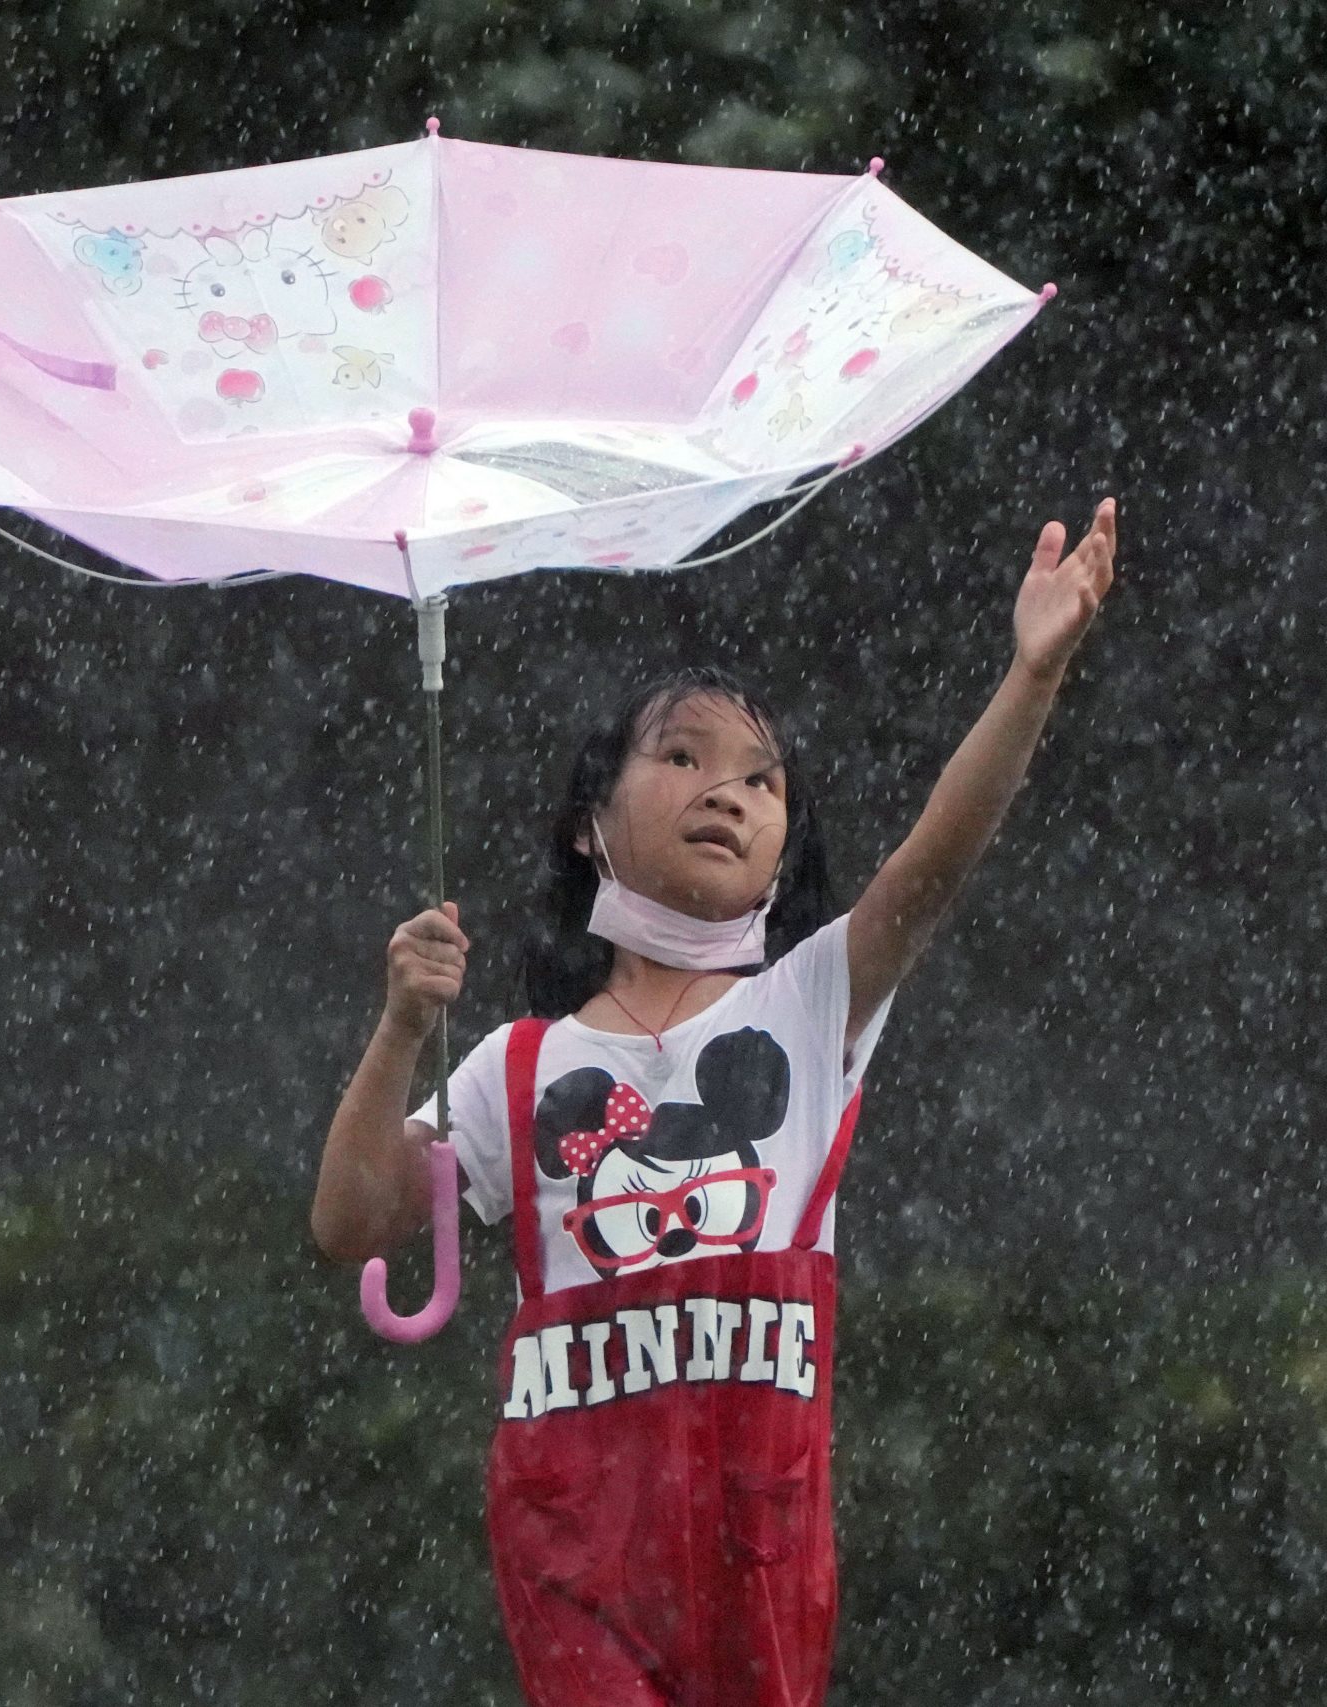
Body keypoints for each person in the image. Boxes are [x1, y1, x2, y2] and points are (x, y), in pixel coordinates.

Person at [311, 498, 1119, 1706]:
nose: (726, 792)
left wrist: (1032, 675)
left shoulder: (806, 1005)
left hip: (761, 1531)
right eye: (681, 756)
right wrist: (401, 1028)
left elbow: (935, 861)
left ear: (784, 844)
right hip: (575, 1541)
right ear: (591, 823)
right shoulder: (514, 1066)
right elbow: (350, 1224)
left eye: (760, 778)